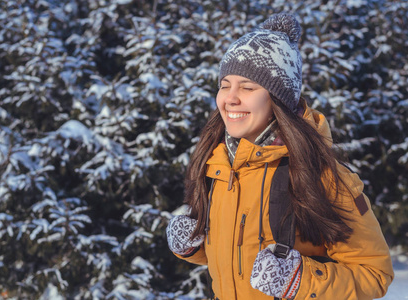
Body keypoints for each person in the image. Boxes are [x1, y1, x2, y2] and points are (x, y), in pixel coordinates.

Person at [166, 12, 394, 300]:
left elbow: (375, 273)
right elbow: (238, 259)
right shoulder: (217, 166)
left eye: (248, 86)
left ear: (279, 98)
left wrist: (301, 280)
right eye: (225, 84)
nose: (230, 97)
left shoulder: (322, 175)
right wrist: (195, 246)